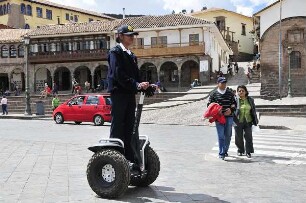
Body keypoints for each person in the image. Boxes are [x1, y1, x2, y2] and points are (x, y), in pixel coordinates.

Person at [107, 24, 154, 171]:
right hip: (118, 93)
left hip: (129, 94)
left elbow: (136, 76)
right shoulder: (115, 53)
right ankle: (115, 157)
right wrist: (136, 85)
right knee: (118, 125)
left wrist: (145, 86)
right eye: (129, 35)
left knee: (130, 126)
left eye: (133, 35)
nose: (132, 37)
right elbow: (118, 74)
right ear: (120, 36)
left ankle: (129, 158)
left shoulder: (131, 55)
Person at [207, 77, 236, 160]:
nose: (223, 84)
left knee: (228, 135)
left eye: (225, 83)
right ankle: (221, 153)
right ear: (218, 83)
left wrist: (231, 109)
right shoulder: (213, 94)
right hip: (219, 118)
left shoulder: (230, 93)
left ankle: (225, 150)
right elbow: (209, 106)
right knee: (221, 136)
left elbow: (234, 104)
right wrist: (216, 111)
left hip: (229, 117)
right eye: (222, 83)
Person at [234, 85, 258, 158]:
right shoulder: (235, 100)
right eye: (239, 91)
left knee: (248, 137)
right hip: (238, 121)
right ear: (237, 92)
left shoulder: (250, 99)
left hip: (248, 120)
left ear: (246, 92)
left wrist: (255, 119)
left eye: (242, 91)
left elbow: (253, 109)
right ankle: (240, 150)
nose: (241, 92)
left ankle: (248, 152)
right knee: (238, 137)